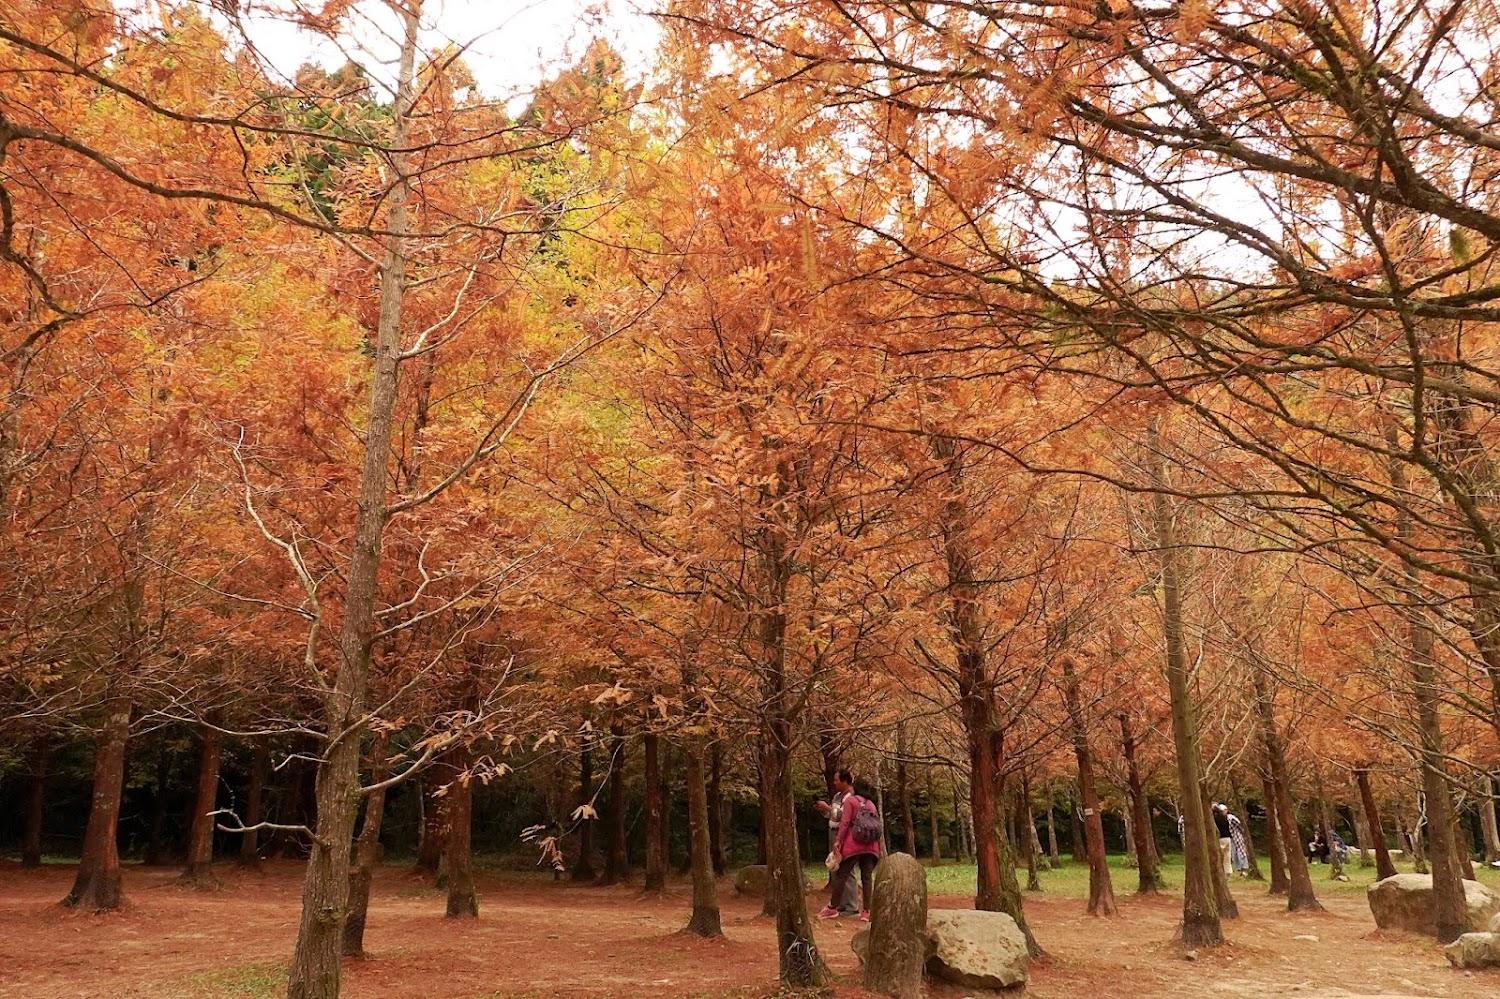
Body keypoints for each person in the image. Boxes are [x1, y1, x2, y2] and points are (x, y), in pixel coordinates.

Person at [818, 769, 881, 921]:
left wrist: (838, 842)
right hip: (871, 845)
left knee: (841, 875)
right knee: (866, 877)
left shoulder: (851, 801)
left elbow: (845, 823)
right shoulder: (871, 804)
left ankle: (832, 907)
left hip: (854, 844)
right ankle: (866, 911)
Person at [814, 770, 859, 915]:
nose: (834, 783)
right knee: (835, 867)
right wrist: (824, 810)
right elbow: (832, 815)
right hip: (833, 831)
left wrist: (828, 807)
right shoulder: (837, 796)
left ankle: (851, 905)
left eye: (837, 780)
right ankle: (840, 903)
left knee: (847, 869)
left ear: (845, 781)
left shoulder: (851, 796)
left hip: (844, 834)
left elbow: (844, 815)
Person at [1226, 806, 1250, 876]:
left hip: (1237, 837)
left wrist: (1242, 832)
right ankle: (1238, 869)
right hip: (1231, 838)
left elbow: (1239, 825)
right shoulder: (1223, 819)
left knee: (1241, 852)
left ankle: (1244, 868)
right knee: (1233, 853)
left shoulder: (1231, 818)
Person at [1212, 802, 1233, 876]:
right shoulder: (1225, 818)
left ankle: (1220, 871)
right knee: (1227, 855)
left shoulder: (1214, 819)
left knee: (1219, 856)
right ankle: (1228, 871)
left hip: (1220, 838)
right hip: (1228, 838)